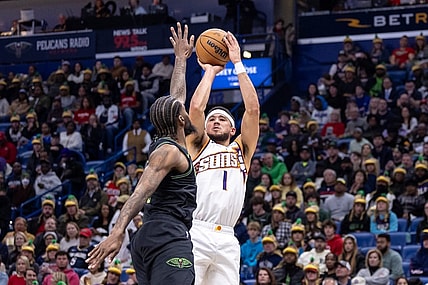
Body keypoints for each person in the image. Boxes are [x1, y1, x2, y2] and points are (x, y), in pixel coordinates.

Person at [86, 26, 198, 284]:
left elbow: (176, 96)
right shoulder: (168, 152)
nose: (184, 105)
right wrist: (117, 232)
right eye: (183, 109)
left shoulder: (166, 141)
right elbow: (139, 193)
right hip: (167, 238)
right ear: (181, 119)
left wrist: (181, 59)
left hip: (151, 238)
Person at [182, 26, 259, 283]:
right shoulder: (198, 145)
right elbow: (195, 107)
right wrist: (211, 71)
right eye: (211, 119)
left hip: (227, 237)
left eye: (221, 119)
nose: (215, 121)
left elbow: (253, 109)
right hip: (197, 230)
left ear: (233, 128)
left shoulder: (242, 149)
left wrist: (237, 63)